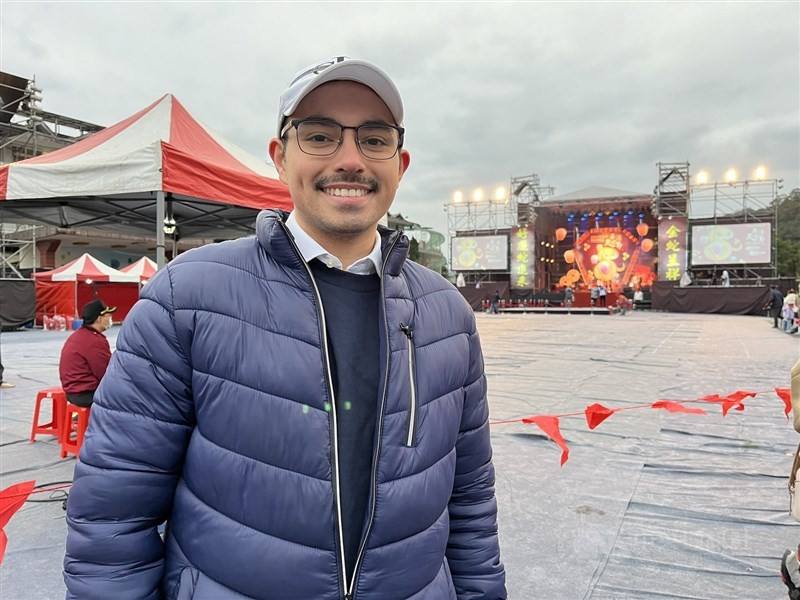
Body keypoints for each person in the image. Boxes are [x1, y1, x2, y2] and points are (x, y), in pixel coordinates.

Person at [63, 57, 506, 600]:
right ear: (279, 157)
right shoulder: (189, 296)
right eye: (319, 136)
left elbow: (470, 502)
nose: (349, 160)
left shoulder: (447, 315)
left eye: (373, 139)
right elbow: (112, 510)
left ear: (401, 163)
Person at [58, 299, 115, 407]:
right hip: (85, 394)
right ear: (99, 319)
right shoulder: (94, 341)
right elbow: (105, 373)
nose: (110, 319)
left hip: (73, 391)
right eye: (108, 316)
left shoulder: (79, 335)